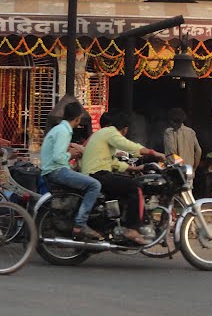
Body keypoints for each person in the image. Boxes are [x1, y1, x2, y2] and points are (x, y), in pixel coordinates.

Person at [81, 109, 164, 245]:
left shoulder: (103, 134)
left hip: (96, 172)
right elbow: (129, 146)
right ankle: (132, 229)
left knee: (128, 185)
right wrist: (154, 153)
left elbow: (111, 162)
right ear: (125, 129)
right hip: (97, 174)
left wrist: (135, 168)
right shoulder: (110, 132)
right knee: (136, 187)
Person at [40, 100, 102, 241]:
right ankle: (80, 224)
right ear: (77, 118)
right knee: (95, 185)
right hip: (56, 171)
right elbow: (58, 157)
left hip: (54, 170)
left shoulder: (58, 129)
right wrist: (71, 155)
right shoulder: (63, 131)